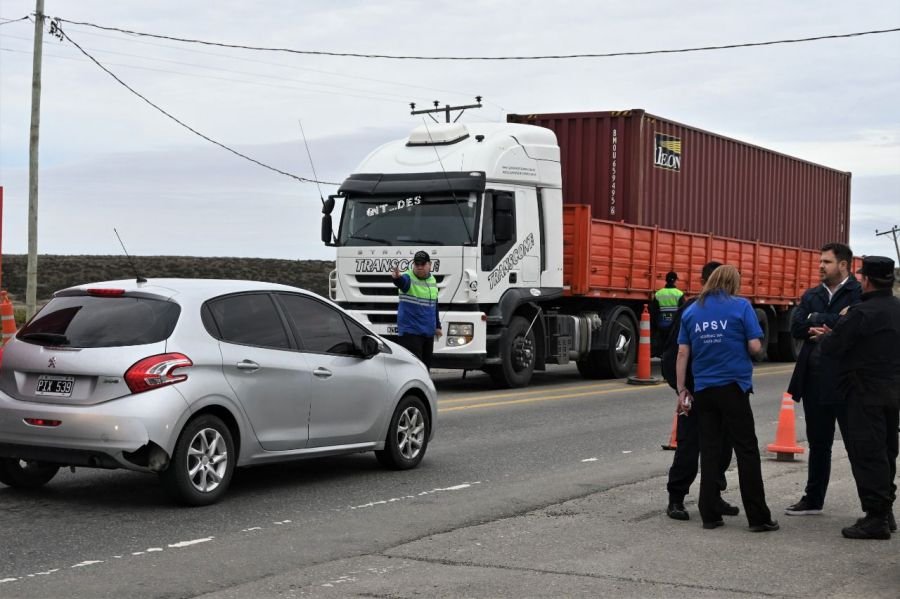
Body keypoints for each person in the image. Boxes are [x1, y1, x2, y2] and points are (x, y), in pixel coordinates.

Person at [675, 265, 778, 532]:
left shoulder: (692, 311)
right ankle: (758, 517)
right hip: (733, 386)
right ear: (733, 282)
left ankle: (709, 514)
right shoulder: (741, 306)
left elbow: (683, 354)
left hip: (704, 389)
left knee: (708, 450)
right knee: (746, 450)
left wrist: (682, 389)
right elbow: (755, 346)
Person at [820, 256, 900, 539]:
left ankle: (876, 517)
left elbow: (831, 348)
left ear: (865, 280)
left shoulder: (860, 313)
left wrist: (831, 332)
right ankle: (885, 510)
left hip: (863, 392)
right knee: (887, 451)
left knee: (868, 454)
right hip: (891, 391)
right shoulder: (896, 308)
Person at [784, 242, 862, 516]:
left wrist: (820, 321)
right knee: (819, 443)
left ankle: (875, 507)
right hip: (815, 379)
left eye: (826, 262)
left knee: (857, 445)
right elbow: (795, 326)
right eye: (820, 261)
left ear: (843, 265)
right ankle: (813, 499)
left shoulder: (858, 293)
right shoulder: (813, 294)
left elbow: (856, 327)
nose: (820, 266)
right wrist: (831, 320)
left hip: (846, 381)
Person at [661, 261, 738, 521]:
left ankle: (714, 495)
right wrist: (681, 389)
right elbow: (676, 352)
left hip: (722, 390)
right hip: (696, 389)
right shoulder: (692, 309)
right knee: (689, 446)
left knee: (723, 445)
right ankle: (676, 498)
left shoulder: (732, 309)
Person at [391, 250, 442, 370]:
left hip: (427, 333)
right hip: (411, 333)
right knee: (415, 369)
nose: (419, 267)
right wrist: (397, 278)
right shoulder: (408, 277)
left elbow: (434, 304)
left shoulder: (432, 280)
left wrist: (437, 325)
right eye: (417, 264)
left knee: (425, 368)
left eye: (422, 264)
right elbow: (402, 283)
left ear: (429, 265)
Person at [650, 271, 685, 356]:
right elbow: (682, 311)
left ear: (666, 280)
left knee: (662, 341)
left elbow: (654, 311)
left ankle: (661, 354)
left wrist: (654, 327)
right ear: (675, 281)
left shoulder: (658, 294)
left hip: (661, 324)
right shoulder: (679, 294)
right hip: (674, 325)